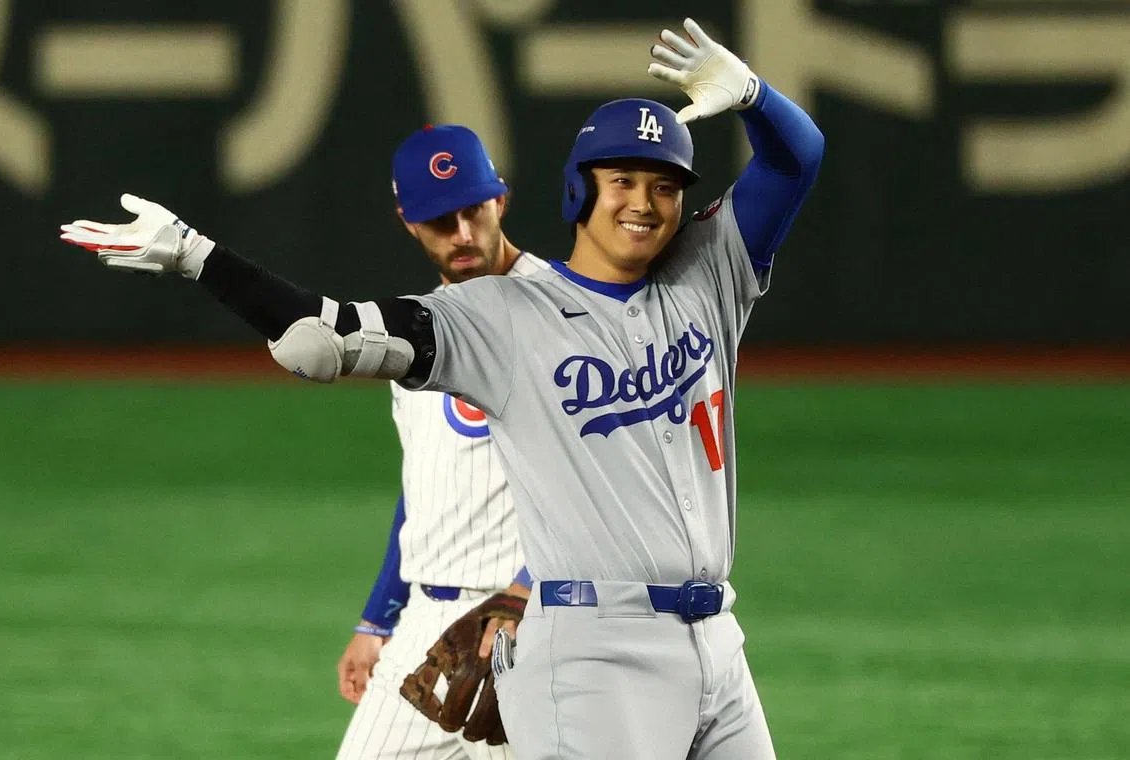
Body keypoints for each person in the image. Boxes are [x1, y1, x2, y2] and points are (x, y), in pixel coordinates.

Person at [60, 19, 823, 760]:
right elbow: (319, 338)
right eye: (621, 179)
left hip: (717, 643)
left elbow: (799, 158)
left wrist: (755, 93)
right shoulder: (497, 316)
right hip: (593, 647)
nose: (643, 202)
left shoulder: (708, 275)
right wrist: (199, 256)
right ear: (575, 192)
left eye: (664, 186)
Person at [331, 125, 541, 759]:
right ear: (408, 223)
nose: (463, 235)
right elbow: (423, 488)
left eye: (473, 211)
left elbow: (603, 485)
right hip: (424, 625)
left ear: (499, 199)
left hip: (520, 622)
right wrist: (376, 621)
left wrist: (530, 593)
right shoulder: (414, 331)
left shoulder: (562, 316)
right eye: (440, 221)